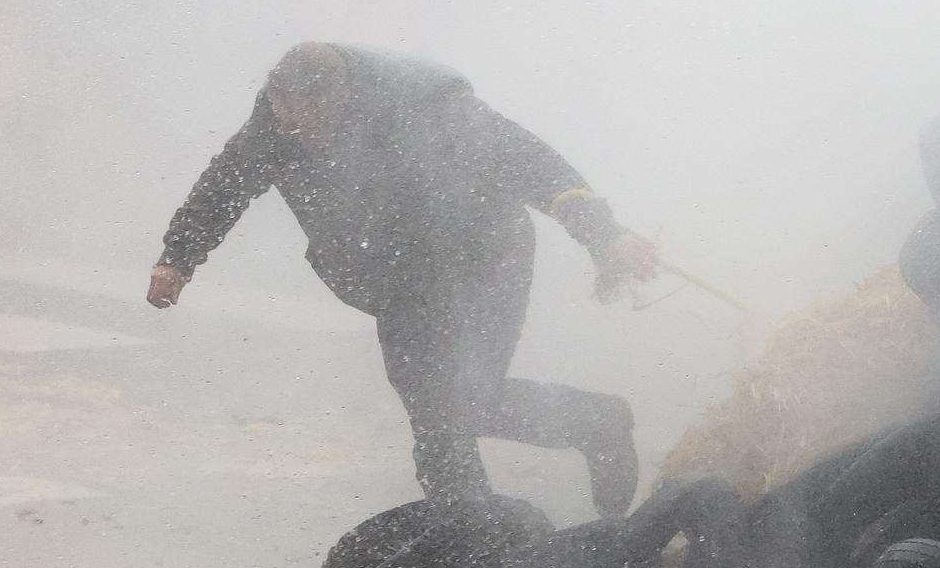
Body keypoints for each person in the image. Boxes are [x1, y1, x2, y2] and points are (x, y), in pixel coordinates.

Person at [147, 42, 658, 517]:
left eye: (315, 119)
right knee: (435, 406)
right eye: (288, 119)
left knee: (462, 402)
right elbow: (225, 183)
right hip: (397, 274)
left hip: (483, 259)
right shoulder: (276, 127)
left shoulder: (429, 107)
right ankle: (476, 535)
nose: (302, 134)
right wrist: (178, 258)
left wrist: (602, 233)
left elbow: (525, 160)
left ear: (344, 97)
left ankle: (578, 442)